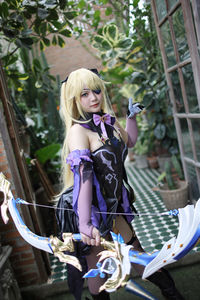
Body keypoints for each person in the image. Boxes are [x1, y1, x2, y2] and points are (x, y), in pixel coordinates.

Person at [56, 68, 184, 300]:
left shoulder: (109, 123)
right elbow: (84, 178)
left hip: (114, 209)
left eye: (96, 91)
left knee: (138, 256)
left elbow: (131, 141)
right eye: (84, 94)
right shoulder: (78, 131)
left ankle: (173, 294)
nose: (94, 98)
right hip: (92, 211)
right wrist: (84, 223)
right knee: (98, 273)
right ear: (74, 99)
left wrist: (131, 117)